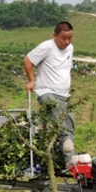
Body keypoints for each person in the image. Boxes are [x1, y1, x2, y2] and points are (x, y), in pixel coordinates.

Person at [24, 21, 76, 168]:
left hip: (63, 94)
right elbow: (28, 60)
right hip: (45, 91)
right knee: (56, 115)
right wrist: (31, 80)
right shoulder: (47, 46)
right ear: (55, 35)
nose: (66, 42)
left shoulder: (70, 48)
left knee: (70, 122)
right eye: (63, 38)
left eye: (69, 38)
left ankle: (64, 160)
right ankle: (68, 153)